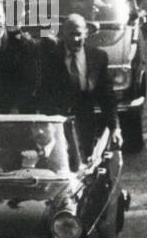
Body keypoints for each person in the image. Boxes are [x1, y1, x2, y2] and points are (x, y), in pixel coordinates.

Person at [34, 14, 119, 158]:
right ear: (62, 34)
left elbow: (107, 96)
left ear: (86, 33)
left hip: (84, 123)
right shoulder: (49, 54)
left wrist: (115, 127)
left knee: (84, 161)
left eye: (79, 34)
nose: (75, 39)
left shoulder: (98, 57)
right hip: (56, 123)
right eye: (71, 34)